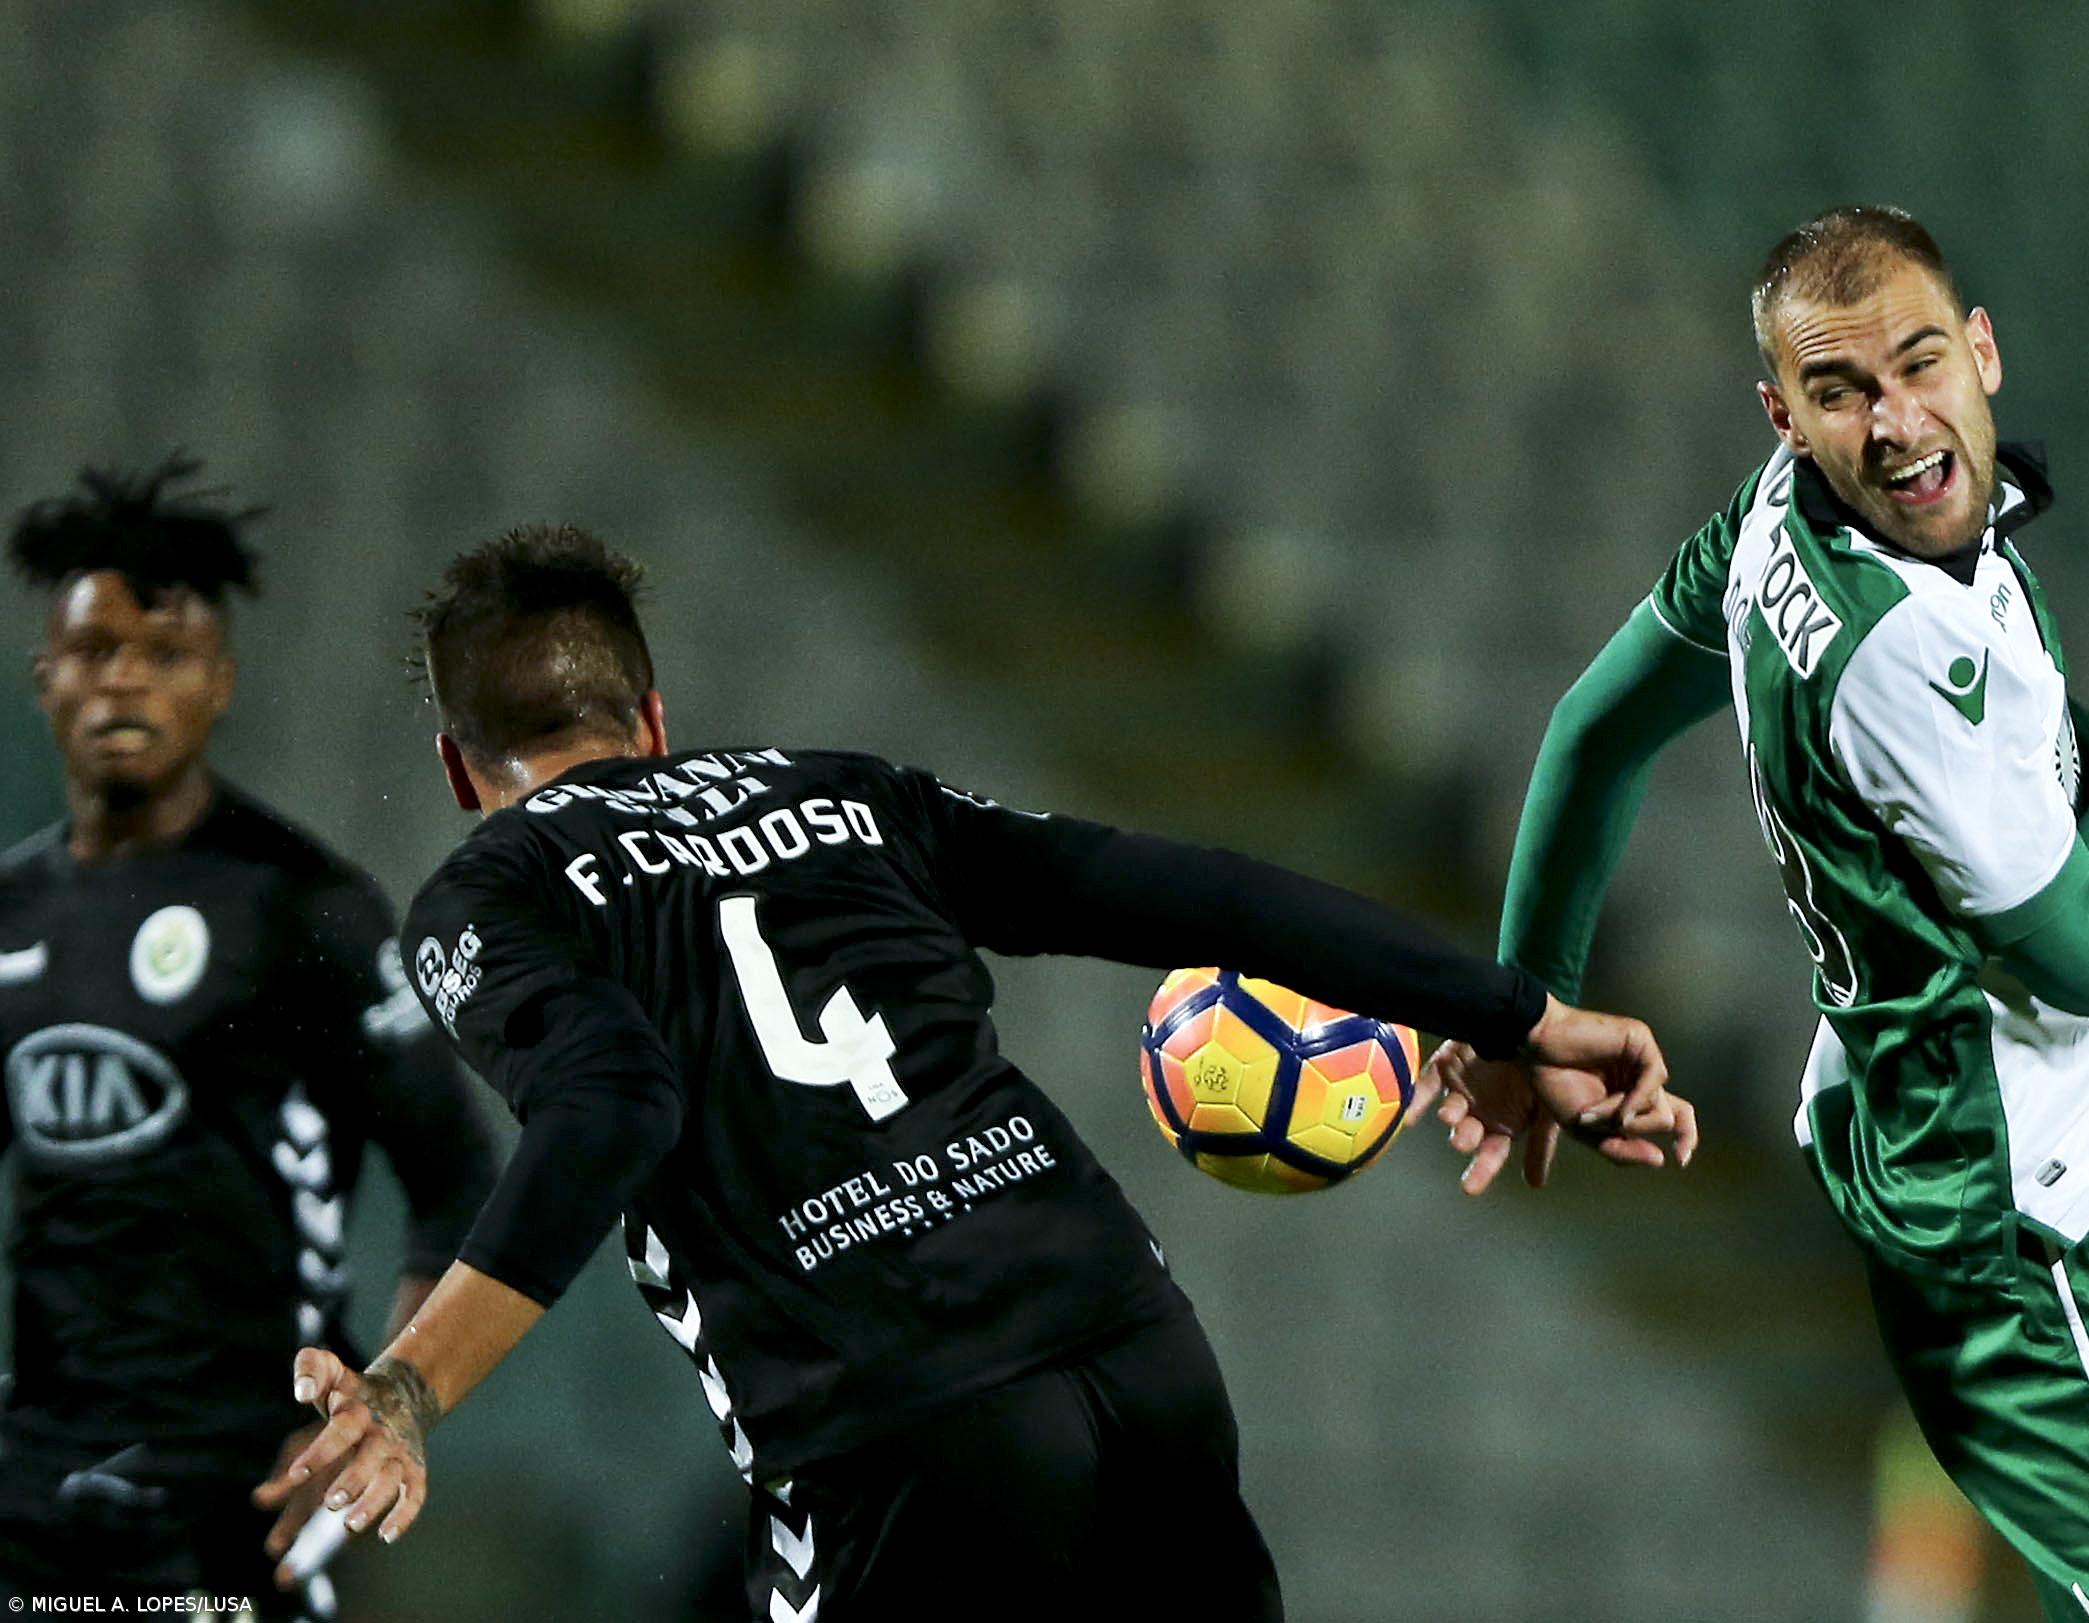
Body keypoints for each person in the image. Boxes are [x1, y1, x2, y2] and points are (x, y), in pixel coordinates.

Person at [250, 524, 1695, 1619]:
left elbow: (615, 1100)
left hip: (899, 1427)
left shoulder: (491, 892)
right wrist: (1512, 1009)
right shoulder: (851, 794)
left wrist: (410, 1386)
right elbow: (1186, 892)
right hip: (1133, 1346)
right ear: (650, 716)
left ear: (457, 766)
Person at [1437, 207, 2089, 1621]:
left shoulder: (1781, 519)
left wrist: (1523, 1011)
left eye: (1916, 362)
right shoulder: (1896, 656)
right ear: (1784, 412)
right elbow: (2086, 956)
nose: (1892, 420)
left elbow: (1592, 733)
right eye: (1839, 392)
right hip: (2041, 1239)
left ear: (1981, 350)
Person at [0, 460, 499, 1616]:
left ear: (219, 684)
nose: (123, 681)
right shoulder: (11, 915)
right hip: (34, 1478)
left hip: (236, 1482)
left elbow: (457, 1178)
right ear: (45, 679)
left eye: (163, 654)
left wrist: (385, 1407)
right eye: (93, 652)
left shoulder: (300, 908)